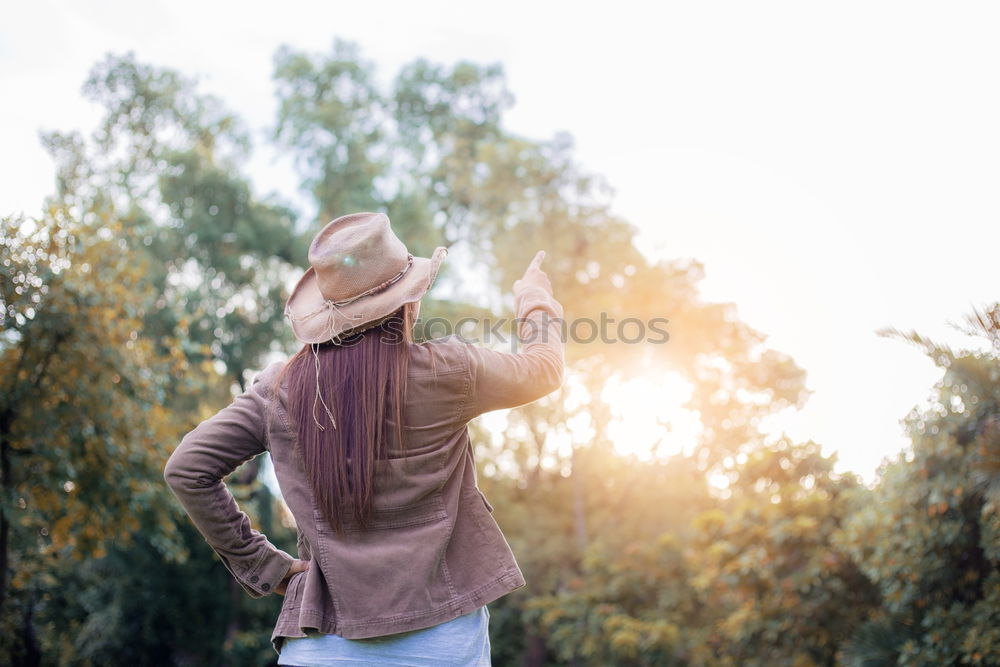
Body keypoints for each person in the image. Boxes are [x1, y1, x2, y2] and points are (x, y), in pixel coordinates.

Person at [163, 211, 564, 666]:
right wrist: (534, 300)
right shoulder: (448, 372)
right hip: (441, 643)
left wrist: (266, 568)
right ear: (407, 302)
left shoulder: (279, 391)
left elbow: (187, 469)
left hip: (320, 645)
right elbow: (543, 369)